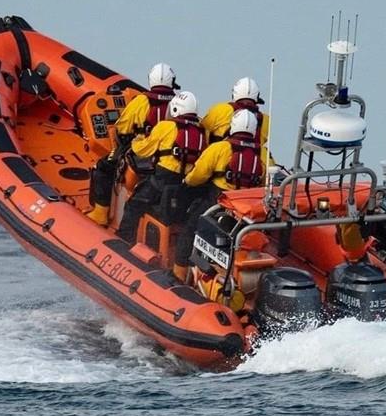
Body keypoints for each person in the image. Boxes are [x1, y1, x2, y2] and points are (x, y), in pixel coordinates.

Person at [171, 109, 270, 282]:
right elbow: (266, 184)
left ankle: (178, 276)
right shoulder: (263, 155)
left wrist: (186, 183)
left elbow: (198, 175)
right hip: (246, 210)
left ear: (233, 127)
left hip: (218, 203)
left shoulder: (219, 148)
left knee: (189, 231)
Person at [88, 63, 179, 225]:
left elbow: (122, 128)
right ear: (172, 81)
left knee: (104, 167)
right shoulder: (179, 104)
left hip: (142, 155)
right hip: (169, 162)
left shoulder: (142, 102)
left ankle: (100, 213)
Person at [116, 91, 207, 243]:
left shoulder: (166, 126)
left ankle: (124, 239)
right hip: (184, 185)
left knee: (134, 204)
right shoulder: (202, 132)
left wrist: (134, 142)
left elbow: (144, 149)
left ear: (176, 109)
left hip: (162, 179)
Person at [200, 77, 270, 145]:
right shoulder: (265, 120)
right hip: (253, 155)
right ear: (257, 96)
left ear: (234, 93)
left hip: (219, 154)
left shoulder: (220, 109)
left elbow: (202, 128)